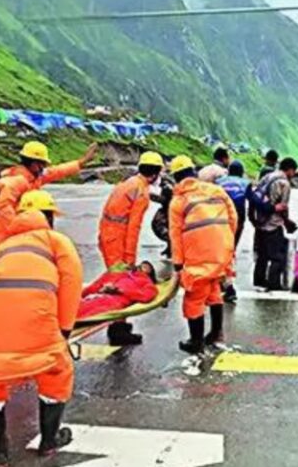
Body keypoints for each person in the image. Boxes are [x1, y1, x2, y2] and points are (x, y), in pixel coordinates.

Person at [0, 190, 82, 465]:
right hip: (36, 316)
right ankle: (48, 440)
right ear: (47, 218)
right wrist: (64, 331)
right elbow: (71, 282)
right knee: (56, 369)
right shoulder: (56, 242)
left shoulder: (1, 247)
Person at [168, 156, 237, 354]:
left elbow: (175, 235)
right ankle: (216, 333)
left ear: (176, 178)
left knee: (194, 297)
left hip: (198, 255)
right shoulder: (215, 190)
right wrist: (228, 244)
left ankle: (196, 341)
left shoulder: (178, 200)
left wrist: (178, 264)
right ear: (193, 172)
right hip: (222, 249)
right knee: (214, 289)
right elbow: (233, 217)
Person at [97, 151, 163, 345]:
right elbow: (133, 228)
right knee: (121, 283)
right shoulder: (141, 193)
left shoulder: (128, 183)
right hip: (117, 242)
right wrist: (129, 259)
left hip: (108, 236)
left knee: (117, 280)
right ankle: (117, 330)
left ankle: (119, 325)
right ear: (156, 173)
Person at [0, 140, 97, 253]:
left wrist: (81, 162)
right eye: (42, 164)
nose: (44, 167)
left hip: (21, 224)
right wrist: (15, 228)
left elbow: (56, 172)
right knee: (3, 257)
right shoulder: (17, 180)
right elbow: (5, 206)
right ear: (34, 163)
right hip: (5, 228)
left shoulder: (34, 176)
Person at [253, 158, 298, 291]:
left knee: (262, 254)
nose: (293, 174)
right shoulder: (284, 182)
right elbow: (282, 206)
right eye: (293, 171)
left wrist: (254, 219)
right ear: (289, 169)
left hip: (260, 221)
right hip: (273, 223)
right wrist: (287, 222)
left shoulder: (267, 177)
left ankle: (259, 279)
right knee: (277, 256)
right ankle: (274, 282)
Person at [217, 160, 251, 302]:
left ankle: (221, 282)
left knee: (219, 250)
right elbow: (255, 200)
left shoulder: (218, 182)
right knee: (229, 251)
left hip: (218, 219)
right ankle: (227, 285)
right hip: (237, 220)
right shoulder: (245, 183)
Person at [79, 262, 159, 318]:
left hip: (115, 300)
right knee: (82, 305)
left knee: (93, 310)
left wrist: (120, 290)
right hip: (101, 295)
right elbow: (97, 284)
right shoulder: (122, 274)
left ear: (150, 273)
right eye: (142, 264)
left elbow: (146, 295)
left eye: (147, 267)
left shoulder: (146, 282)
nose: (142, 266)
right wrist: (82, 294)